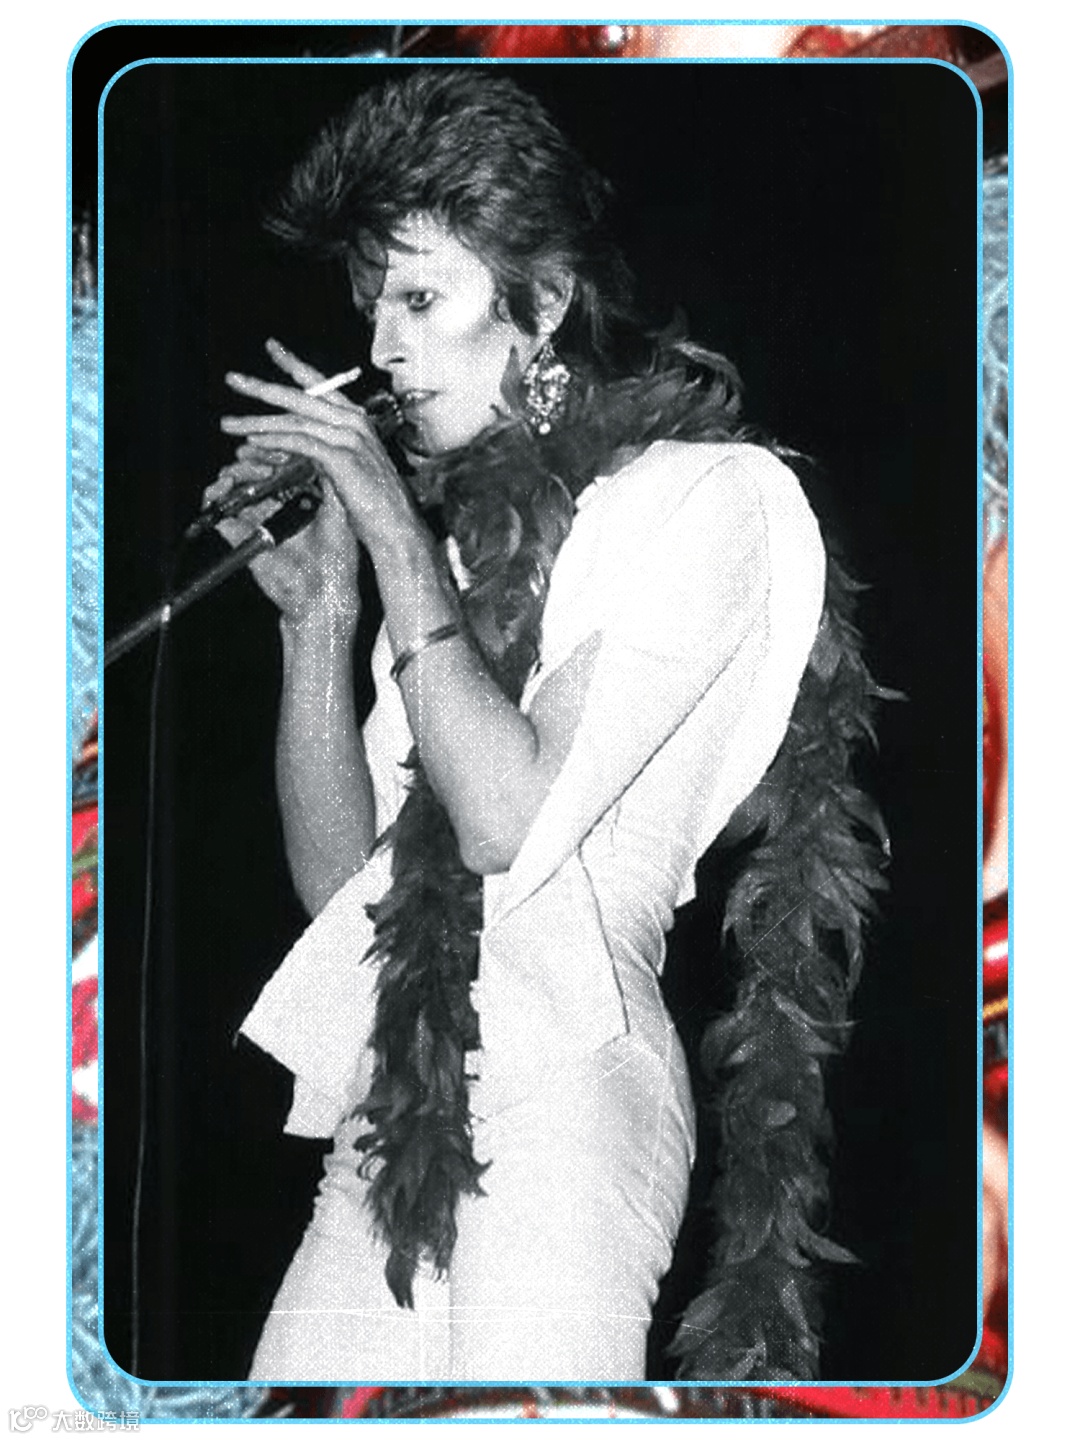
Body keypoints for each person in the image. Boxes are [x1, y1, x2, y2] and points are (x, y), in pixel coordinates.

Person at [208, 68, 884, 1383]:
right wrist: (321, 616)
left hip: (572, 1082)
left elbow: (507, 819)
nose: (382, 350)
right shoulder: (450, 570)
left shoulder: (709, 497)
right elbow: (344, 890)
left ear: (547, 299)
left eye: (418, 300)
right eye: (369, 307)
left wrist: (395, 536)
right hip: (391, 1110)